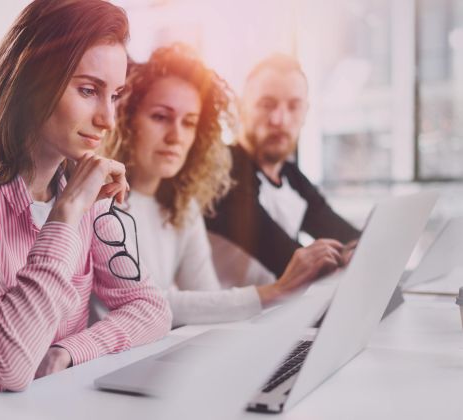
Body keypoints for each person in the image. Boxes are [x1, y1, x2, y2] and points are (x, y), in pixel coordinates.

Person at [0, 0, 171, 408]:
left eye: (115, 94)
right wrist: (66, 215)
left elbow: (150, 308)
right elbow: (9, 363)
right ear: (32, 81)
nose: (107, 117)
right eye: (88, 90)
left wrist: (70, 352)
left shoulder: (87, 186)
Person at [108, 44, 344, 326]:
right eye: (160, 117)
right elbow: (144, 303)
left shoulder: (185, 206)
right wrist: (274, 292)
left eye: (189, 123)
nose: (176, 136)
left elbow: (207, 297)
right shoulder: (101, 200)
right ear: (126, 120)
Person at [206, 54, 360, 279]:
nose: (280, 119)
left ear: (305, 113)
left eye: (294, 106)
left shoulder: (289, 175)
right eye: (267, 105)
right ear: (241, 108)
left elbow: (341, 233)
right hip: (236, 313)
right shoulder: (222, 171)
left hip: (281, 310)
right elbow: (285, 256)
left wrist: (360, 249)